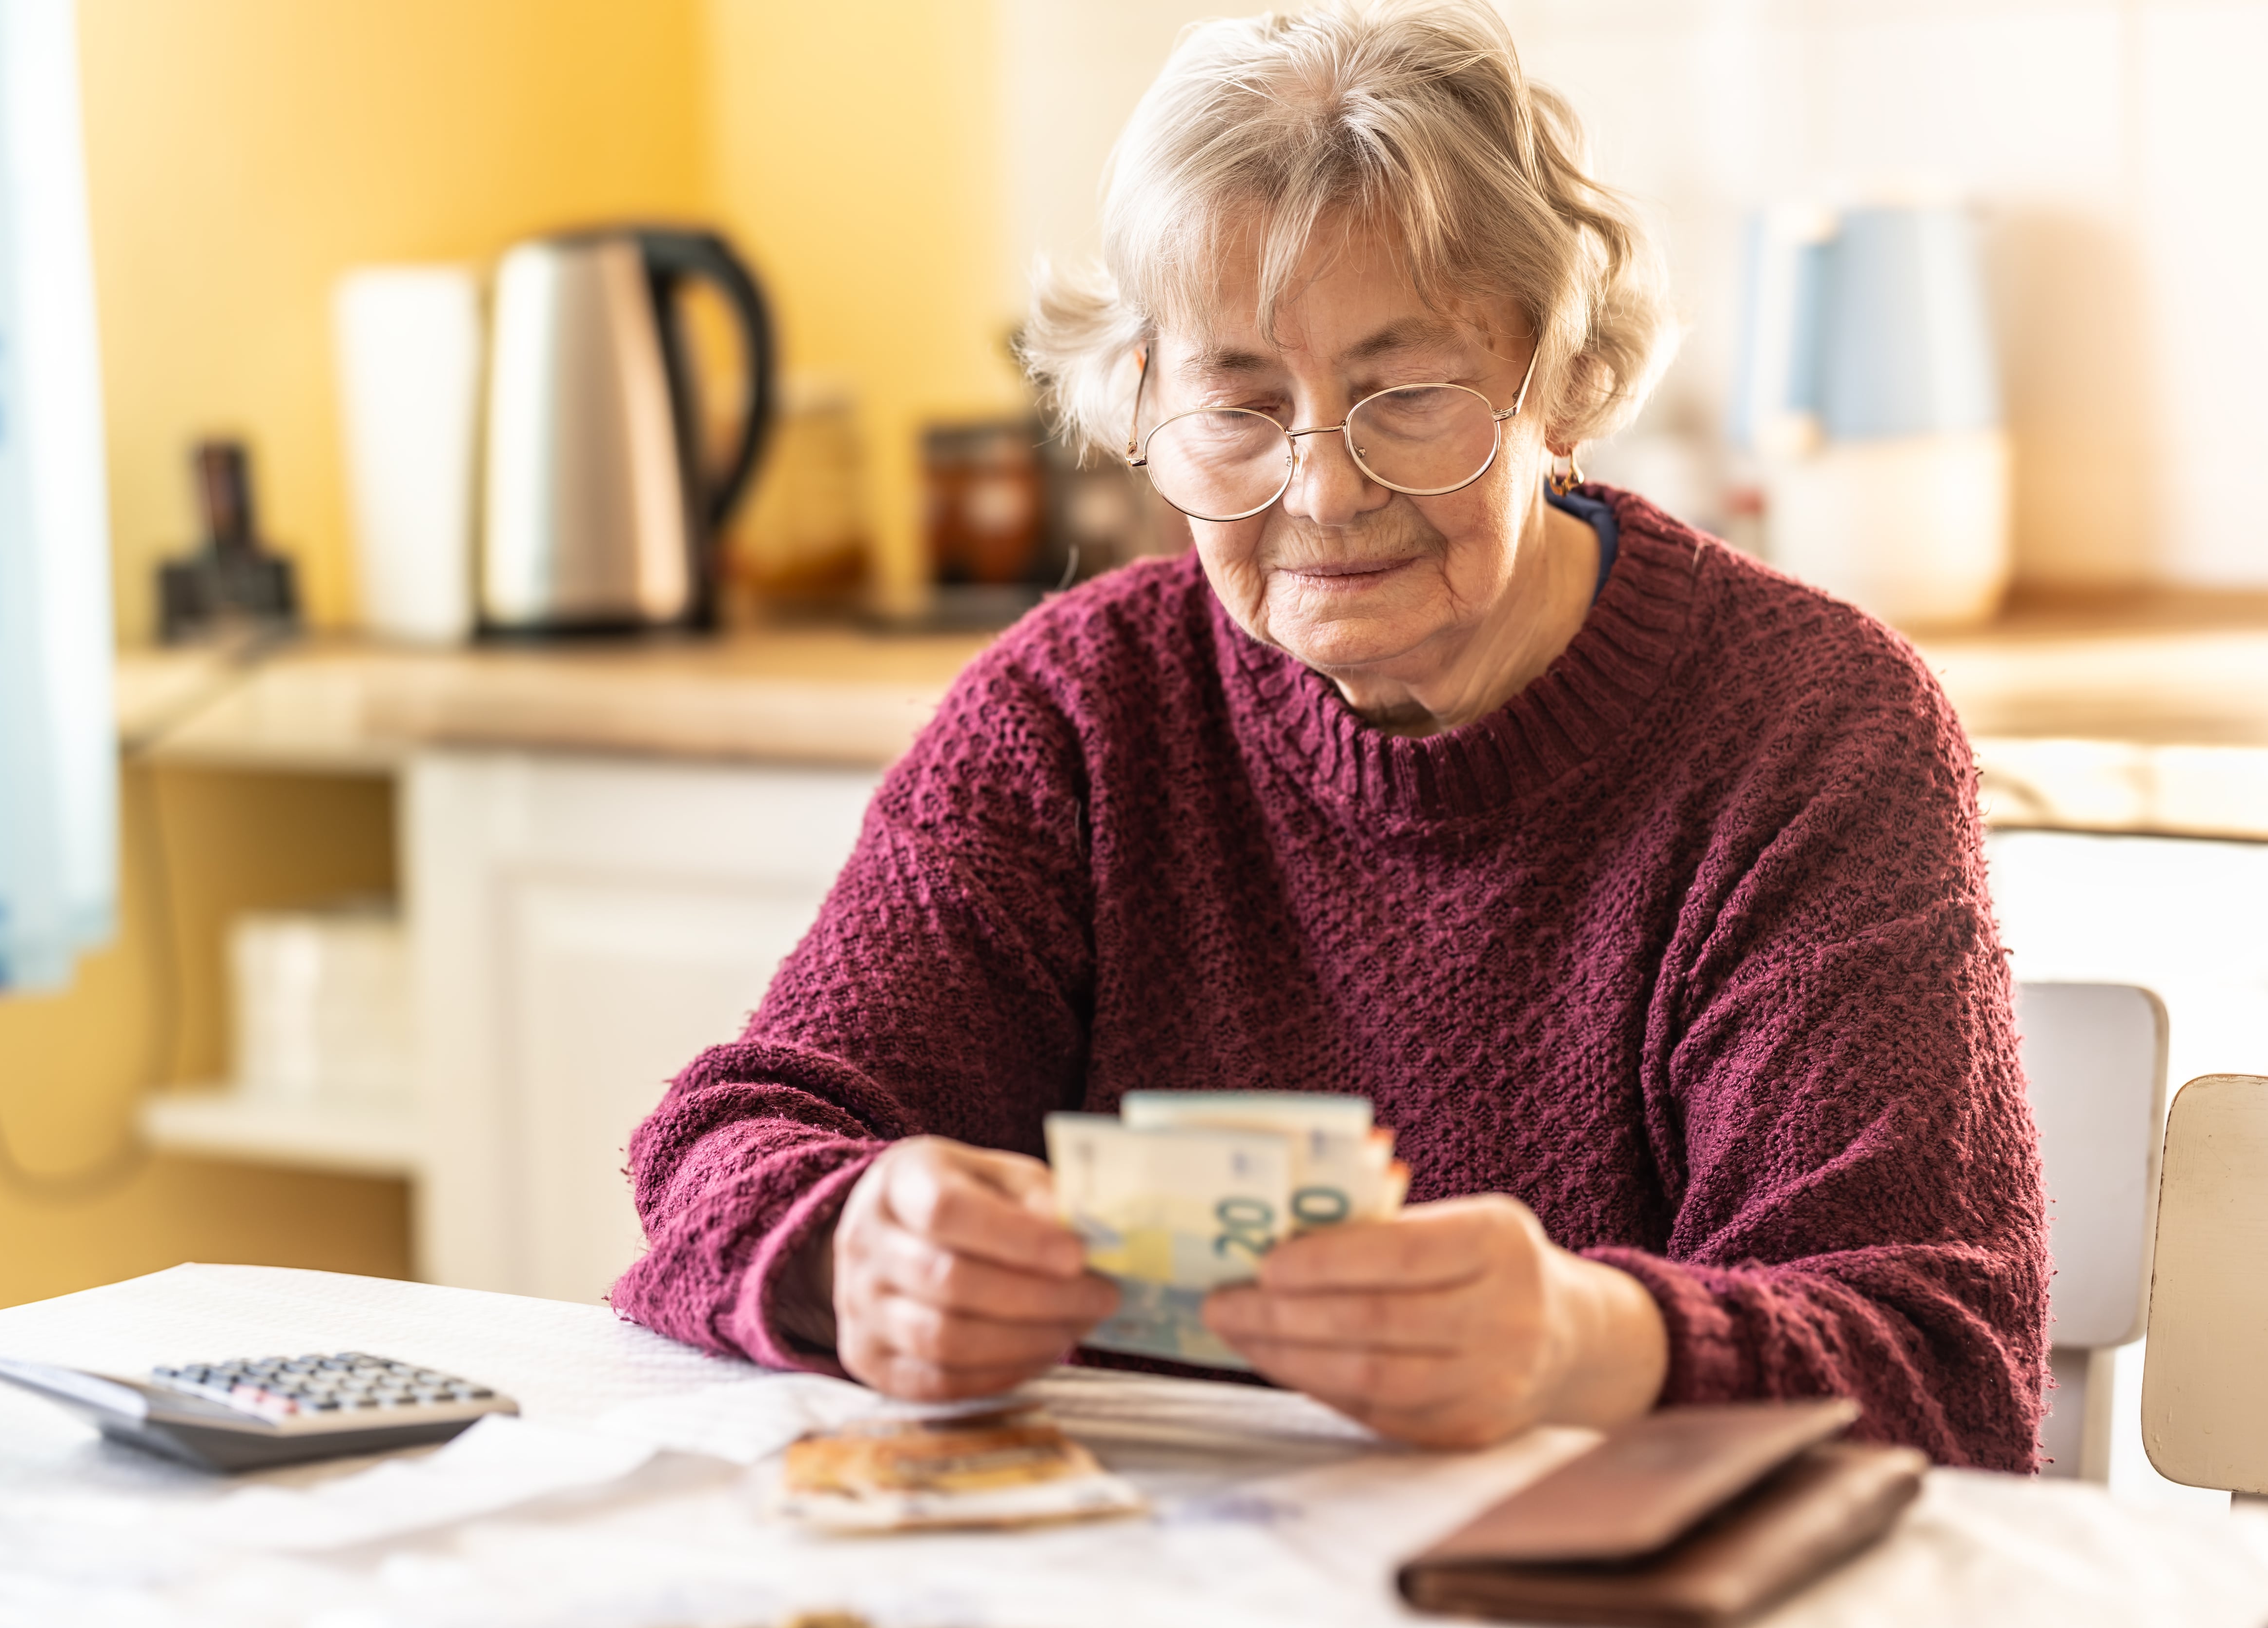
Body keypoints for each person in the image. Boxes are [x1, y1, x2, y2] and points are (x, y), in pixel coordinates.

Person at [614, 0, 2047, 1470]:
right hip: (1138, 1554)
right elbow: (732, 1148)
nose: (1323, 491)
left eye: (1404, 395)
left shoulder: (1811, 731)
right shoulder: (1075, 716)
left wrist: (1588, 1345)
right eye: (1240, 402)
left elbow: (1946, 1371)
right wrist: (853, 1249)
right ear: (1144, 406)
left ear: (1556, 383)